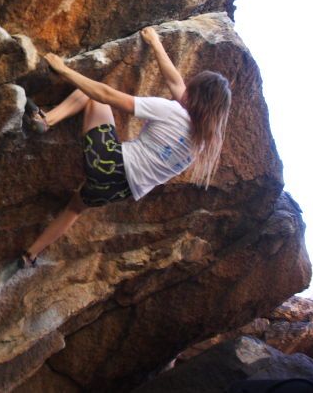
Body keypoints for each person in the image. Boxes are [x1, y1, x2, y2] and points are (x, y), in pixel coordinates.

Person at [18, 26, 232, 269]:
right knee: (75, 209)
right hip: (119, 191)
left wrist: (64, 69)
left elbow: (106, 94)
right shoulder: (200, 143)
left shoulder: (171, 111)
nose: (185, 89)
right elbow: (176, 83)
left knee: (91, 95)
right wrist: (156, 43)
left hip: (110, 162)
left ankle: (46, 121)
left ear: (195, 95)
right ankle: (30, 255)